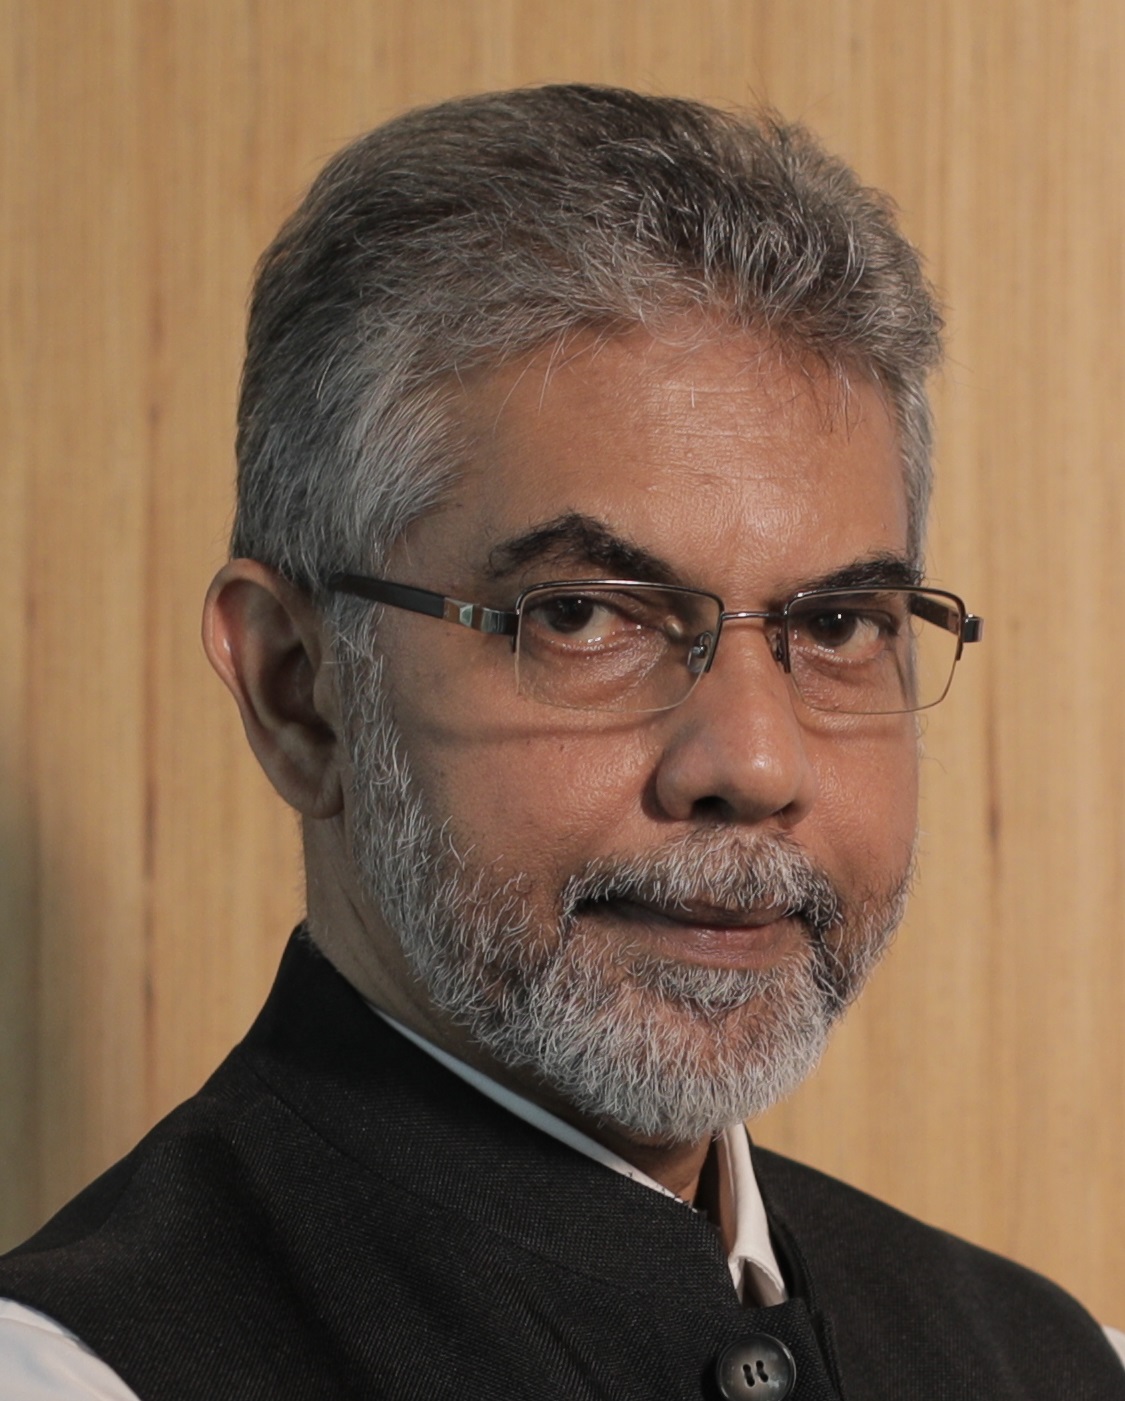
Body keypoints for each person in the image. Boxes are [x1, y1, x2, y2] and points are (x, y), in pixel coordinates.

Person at [0, 83, 1120, 1401]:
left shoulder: (1061, 1363)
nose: (755, 764)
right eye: (585, 616)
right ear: (299, 691)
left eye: (835, 624)